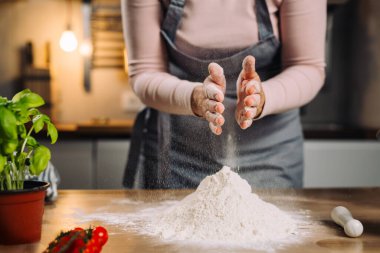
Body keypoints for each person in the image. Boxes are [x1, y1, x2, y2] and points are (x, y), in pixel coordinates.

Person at [121, 0, 326, 189]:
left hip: (270, 155)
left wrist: (262, 96)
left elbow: (307, 66)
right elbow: (145, 71)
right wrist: (193, 98)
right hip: (175, 152)